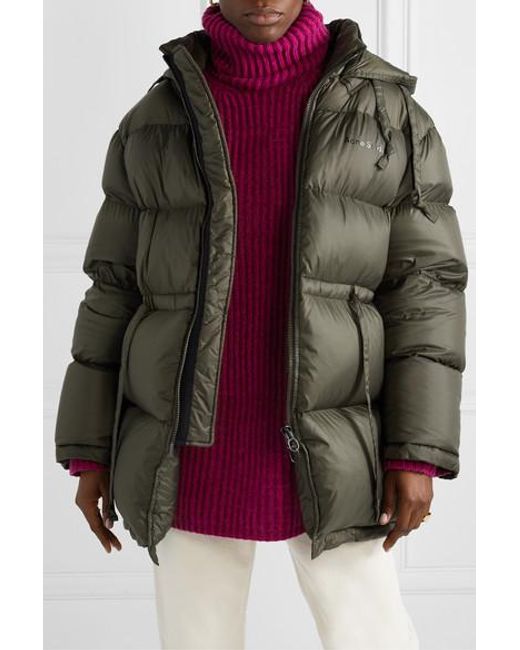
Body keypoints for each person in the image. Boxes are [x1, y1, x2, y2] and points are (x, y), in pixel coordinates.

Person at [54, 1, 467, 648]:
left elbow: (426, 289)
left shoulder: (388, 115)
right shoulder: (155, 121)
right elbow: (113, 287)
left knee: (372, 633)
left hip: (340, 442)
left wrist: (416, 449)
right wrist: (89, 448)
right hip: (186, 450)